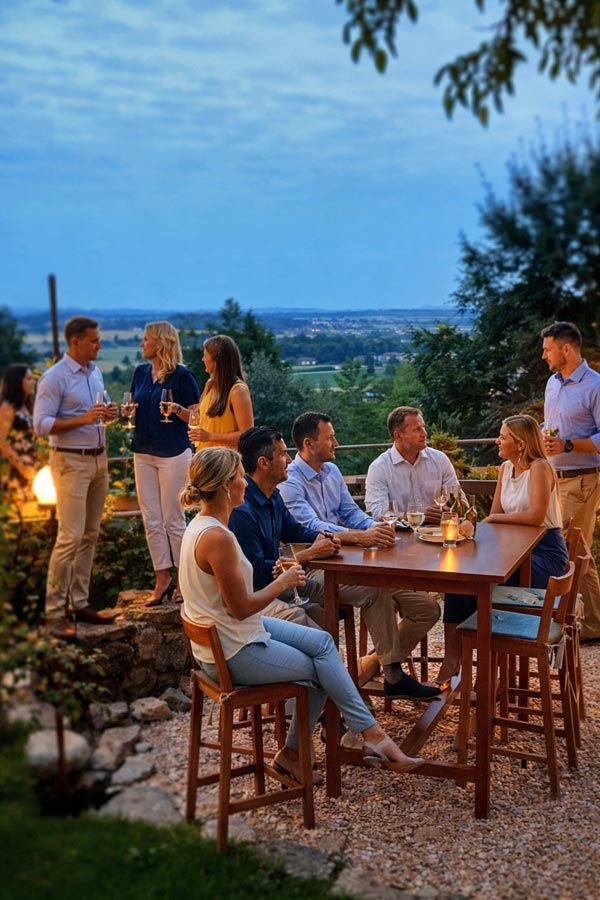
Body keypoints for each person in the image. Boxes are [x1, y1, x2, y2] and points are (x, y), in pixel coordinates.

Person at [179, 446, 424, 777]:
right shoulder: (217, 538)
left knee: (323, 645)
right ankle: (359, 739)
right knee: (321, 670)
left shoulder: (200, 526)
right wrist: (284, 582)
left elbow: (234, 606)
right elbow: (240, 608)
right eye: (239, 477)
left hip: (230, 634)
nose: (244, 484)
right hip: (233, 648)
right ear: (226, 485)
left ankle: (350, 740)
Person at [278, 412, 442, 700]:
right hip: (316, 567)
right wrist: (359, 537)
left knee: (427, 608)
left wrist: (375, 527)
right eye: (329, 438)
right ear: (309, 443)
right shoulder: (290, 483)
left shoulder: (331, 472)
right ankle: (393, 674)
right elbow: (309, 528)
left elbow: (351, 512)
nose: (336, 443)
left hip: (351, 560)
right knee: (377, 592)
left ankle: (370, 663)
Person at [439, 414, 570, 680]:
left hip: (545, 554)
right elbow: (497, 512)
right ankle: (454, 657)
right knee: (459, 579)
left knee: (483, 584)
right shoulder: (505, 469)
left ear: (521, 444)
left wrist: (494, 518)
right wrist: (493, 519)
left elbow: (535, 516)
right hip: (514, 549)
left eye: (503, 437)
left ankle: (490, 668)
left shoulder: (540, 468)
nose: (497, 441)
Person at [33, 316, 118, 639]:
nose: (99, 345)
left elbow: (99, 409)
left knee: (90, 534)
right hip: (70, 462)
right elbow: (41, 425)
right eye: (95, 340)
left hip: (99, 461)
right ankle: (54, 613)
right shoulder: (55, 378)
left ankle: (80, 602)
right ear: (76, 342)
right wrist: (83, 419)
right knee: (69, 536)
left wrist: (108, 412)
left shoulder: (94, 373)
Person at [228, 426, 340, 631]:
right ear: (263, 463)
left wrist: (322, 537)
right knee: (312, 619)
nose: (289, 460)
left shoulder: (272, 494)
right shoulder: (242, 511)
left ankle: (367, 661)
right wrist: (309, 554)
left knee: (337, 599)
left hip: (279, 581)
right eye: (282, 454)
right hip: (259, 592)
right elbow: (256, 572)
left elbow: (294, 530)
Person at [131, 321, 200, 605]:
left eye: (146, 339)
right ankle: (162, 577)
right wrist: (127, 412)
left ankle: (186, 579)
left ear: (160, 343)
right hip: (143, 452)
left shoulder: (183, 377)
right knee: (151, 519)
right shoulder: (140, 373)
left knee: (173, 519)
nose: (142, 344)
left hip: (173, 453)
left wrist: (178, 410)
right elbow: (136, 407)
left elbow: (196, 418)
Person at [540, 321, 600, 643]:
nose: (543, 355)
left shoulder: (595, 386)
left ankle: (592, 623)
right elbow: (552, 426)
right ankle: (586, 620)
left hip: (582, 480)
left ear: (566, 349)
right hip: (554, 478)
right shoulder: (553, 383)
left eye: (548, 349)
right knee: (572, 551)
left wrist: (568, 445)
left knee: (575, 551)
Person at [188, 334, 253, 450]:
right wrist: (176, 409)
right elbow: (201, 417)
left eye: (205, 355)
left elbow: (247, 434)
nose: (203, 359)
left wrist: (210, 436)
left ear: (216, 360)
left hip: (226, 460)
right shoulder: (210, 384)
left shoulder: (237, 391)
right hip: (205, 457)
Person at [0, 364, 37, 502]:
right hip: (15, 468)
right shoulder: (7, 408)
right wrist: (22, 467)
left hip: (31, 467)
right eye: (29, 378)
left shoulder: (28, 406)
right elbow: (1, 442)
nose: (33, 382)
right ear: (17, 382)